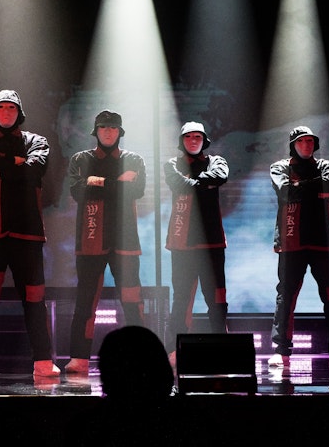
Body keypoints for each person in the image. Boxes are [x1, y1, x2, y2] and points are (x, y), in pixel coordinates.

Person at [0, 89, 60, 378]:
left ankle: (43, 360)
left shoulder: (37, 141)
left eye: (11, 108)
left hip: (26, 232)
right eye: (1, 108)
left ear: (19, 113)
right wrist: (16, 162)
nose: (6, 113)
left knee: (34, 297)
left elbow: (35, 169)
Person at [63, 109, 147, 375]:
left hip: (126, 239)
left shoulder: (134, 159)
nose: (108, 132)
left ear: (120, 132)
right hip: (90, 239)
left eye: (112, 128)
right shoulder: (81, 158)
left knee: (133, 300)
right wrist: (116, 183)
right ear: (96, 132)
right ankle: (79, 358)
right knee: (85, 300)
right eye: (103, 128)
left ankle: (141, 355)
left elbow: (137, 190)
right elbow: (77, 191)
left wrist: (96, 183)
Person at [268, 125, 329, 371]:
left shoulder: (328, 166)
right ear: (293, 144)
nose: (306, 145)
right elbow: (284, 191)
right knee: (286, 296)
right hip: (291, 240)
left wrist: (299, 188)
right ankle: (281, 351)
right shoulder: (279, 167)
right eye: (301, 141)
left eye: (310, 141)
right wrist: (311, 188)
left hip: (323, 241)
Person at [162, 121, 230, 367]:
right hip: (182, 243)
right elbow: (176, 182)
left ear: (204, 140)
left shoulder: (217, 161)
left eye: (197, 136)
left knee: (217, 298)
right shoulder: (172, 163)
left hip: (212, 242)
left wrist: (191, 183)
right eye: (188, 136)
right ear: (182, 141)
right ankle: (175, 348)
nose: (193, 140)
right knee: (181, 299)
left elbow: (220, 176)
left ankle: (222, 345)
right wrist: (203, 185)